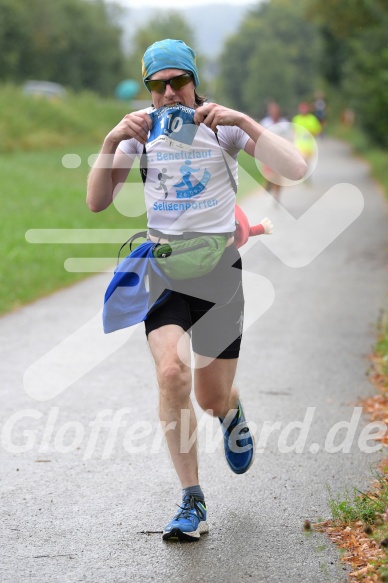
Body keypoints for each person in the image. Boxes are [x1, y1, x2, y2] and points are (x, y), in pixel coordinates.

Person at [87, 39, 307, 542]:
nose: (168, 94)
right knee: (171, 373)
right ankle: (192, 501)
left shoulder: (222, 125)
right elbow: (98, 202)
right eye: (156, 85)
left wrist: (248, 125)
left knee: (210, 397)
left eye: (177, 82)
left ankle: (231, 412)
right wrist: (109, 141)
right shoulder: (138, 134)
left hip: (220, 272)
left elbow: (293, 170)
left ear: (193, 81)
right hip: (164, 270)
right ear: (148, 88)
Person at [260, 101, 294, 201]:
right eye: (272, 111)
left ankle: (277, 196)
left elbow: (290, 137)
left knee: (279, 176)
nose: (274, 112)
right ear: (269, 112)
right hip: (269, 154)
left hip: (280, 153)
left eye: (275, 111)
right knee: (270, 174)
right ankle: (269, 183)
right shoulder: (265, 123)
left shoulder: (284, 124)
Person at [292, 102, 322, 173]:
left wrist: (311, 133)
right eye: (302, 109)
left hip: (309, 145)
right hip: (299, 145)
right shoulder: (296, 119)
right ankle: (302, 173)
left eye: (305, 108)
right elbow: (293, 131)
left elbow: (318, 130)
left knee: (308, 161)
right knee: (302, 160)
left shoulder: (312, 119)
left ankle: (307, 174)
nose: (303, 110)